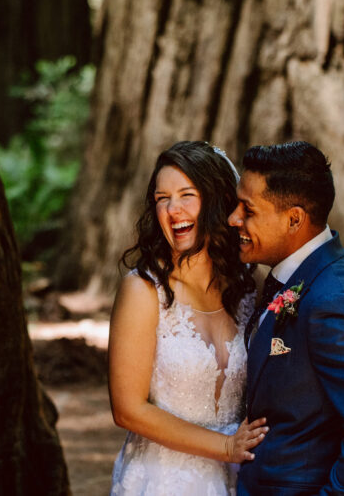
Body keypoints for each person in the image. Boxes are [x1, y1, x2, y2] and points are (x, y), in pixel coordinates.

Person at [227, 142, 344, 496]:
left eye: (247, 209)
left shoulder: (336, 298)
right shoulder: (301, 276)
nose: (233, 218)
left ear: (294, 218)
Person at [110, 141, 269, 496]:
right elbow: (127, 409)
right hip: (163, 479)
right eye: (161, 198)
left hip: (238, 478)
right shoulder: (143, 290)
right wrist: (224, 447)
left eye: (186, 194)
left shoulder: (247, 287)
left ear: (217, 201)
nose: (172, 209)